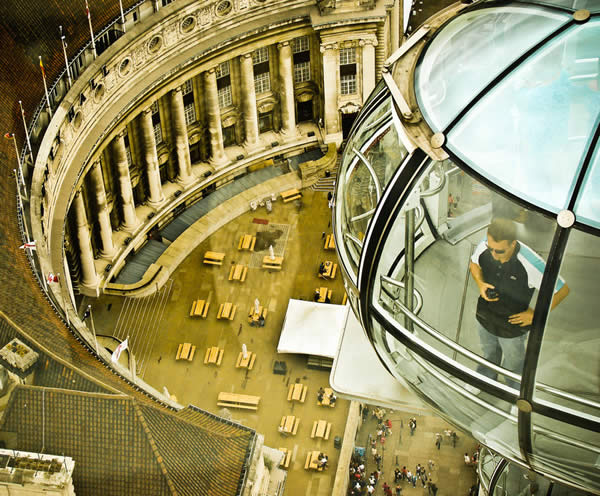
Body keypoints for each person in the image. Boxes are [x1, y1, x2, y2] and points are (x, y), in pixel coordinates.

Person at [469, 218, 569, 389]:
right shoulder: (487, 244)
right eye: (490, 249)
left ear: (513, 244)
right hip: (485, 316)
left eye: (499, 251)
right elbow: (474, 263)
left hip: (512, 327)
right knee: (488, 353)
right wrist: (480, 284)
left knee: (514, 364)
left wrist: (536, 314)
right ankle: (484, 380)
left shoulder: (531, 263)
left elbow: (562, 289)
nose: (493, 254)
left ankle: (516, 394)